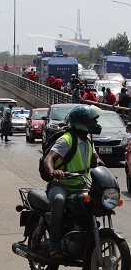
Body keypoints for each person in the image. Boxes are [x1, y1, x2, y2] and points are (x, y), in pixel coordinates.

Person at [43, 105, 101, 261]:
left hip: (80, 187)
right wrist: (53, 171)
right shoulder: (67, 140)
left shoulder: (88, 140)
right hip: (61, 187)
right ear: (81, 122)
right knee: (59, 200)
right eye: (92, 120)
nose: (96, 123)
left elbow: (97, 162)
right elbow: (49, 159)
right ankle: (55, 245)